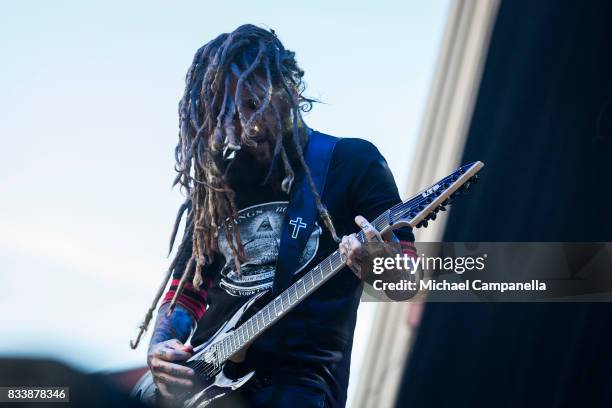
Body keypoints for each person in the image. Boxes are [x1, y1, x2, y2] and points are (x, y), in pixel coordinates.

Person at [145, 24, 416, 408]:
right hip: (206, 387)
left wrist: (375, 263)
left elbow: (405, 280)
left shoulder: (352, 163)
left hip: (297, 386)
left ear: (290, 88)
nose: (246, 126)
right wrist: (161, 347)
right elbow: (186, 294)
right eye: (230, 116)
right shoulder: (219, 188)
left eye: (254, 104)